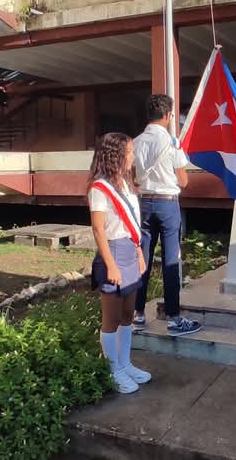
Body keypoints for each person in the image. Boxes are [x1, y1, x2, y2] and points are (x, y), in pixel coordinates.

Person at [132, 94, 202, 337]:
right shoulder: (172, 142)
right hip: (167, 205)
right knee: (171, 261)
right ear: (168, 115)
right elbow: (183, 180)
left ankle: (138, 315)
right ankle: (173, 318)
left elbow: (133, 177)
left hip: (144, 204)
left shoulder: (137, 141)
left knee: (143, 259)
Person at [88, 132, 150, 394]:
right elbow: (99, 230)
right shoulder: (99, 188)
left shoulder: (125, 184)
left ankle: (125, 364)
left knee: (128, 314)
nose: (133, 157)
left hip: (129, 251)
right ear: (115, 155)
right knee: (111, 318)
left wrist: (138, 254)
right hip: (112, 253)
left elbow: (132, 224)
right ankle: (113, 370)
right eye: (130, 152)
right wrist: (111, 265)